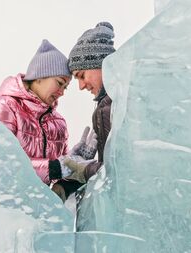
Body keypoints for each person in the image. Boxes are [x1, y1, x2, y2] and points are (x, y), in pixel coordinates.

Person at [0, 39, 84, 202]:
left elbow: (61, 169)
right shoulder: (5, 108)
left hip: (41, 213)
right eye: (59, 83)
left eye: (65, 87)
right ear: (39, 77)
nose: (62, 92)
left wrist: (69, 173)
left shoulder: (59, 123)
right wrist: (54, 168)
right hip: (5, 210)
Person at [63, 21, 116, 182]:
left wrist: (84, 169)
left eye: (81, 75)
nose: (80, 86)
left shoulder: (119, 104)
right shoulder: (108, 105)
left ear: (99, 63)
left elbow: (120, 172)